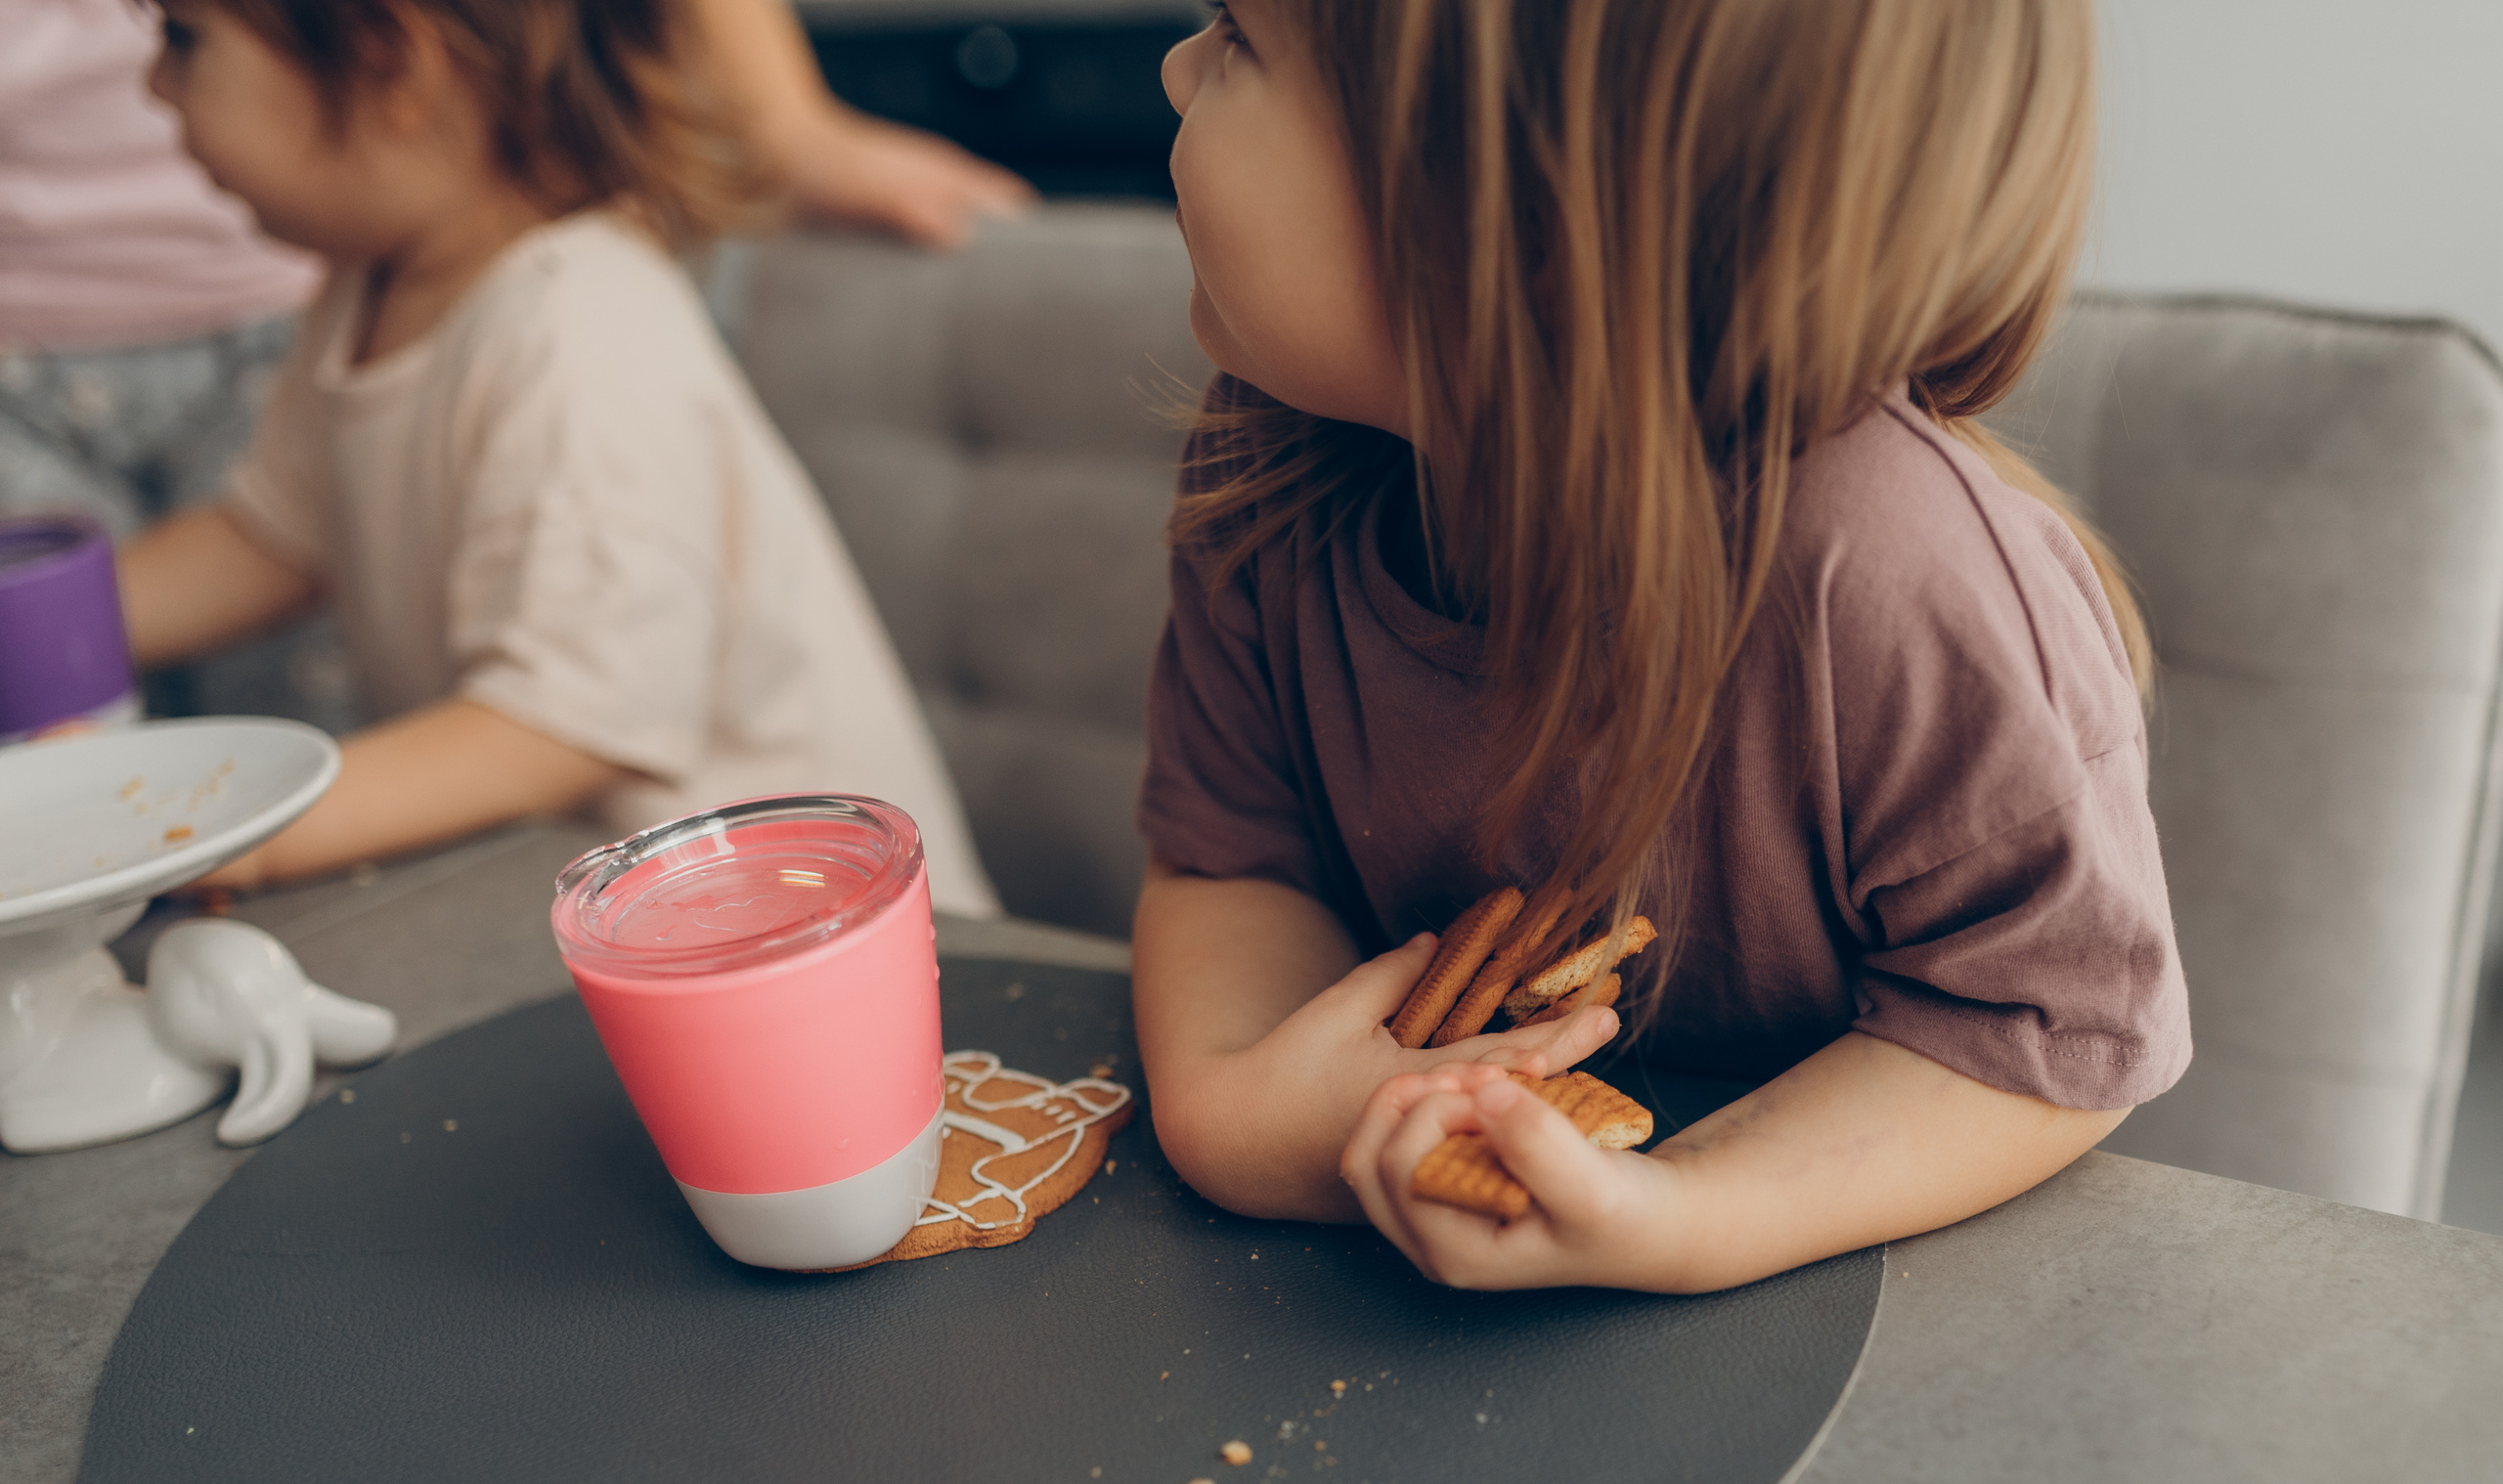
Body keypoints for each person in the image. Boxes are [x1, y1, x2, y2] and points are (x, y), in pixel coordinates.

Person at [1133, 0, 2191, 1292]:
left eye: (1238, 34)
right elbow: (1230, 859)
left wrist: (1685, 1218)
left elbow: (2054, 1030)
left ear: (1521, 225)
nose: (1176, 67)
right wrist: (1242, 1116)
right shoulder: (1271, 470)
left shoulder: (1896, 578)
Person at [115, 0, 999, 915]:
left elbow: (559, 726)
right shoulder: (369, 284)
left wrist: (233, 832)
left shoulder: (578, 323)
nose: (154, 84)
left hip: (813, 937)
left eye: (184, 39)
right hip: (615, 925)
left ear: (393, 64)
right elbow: (273, 538)